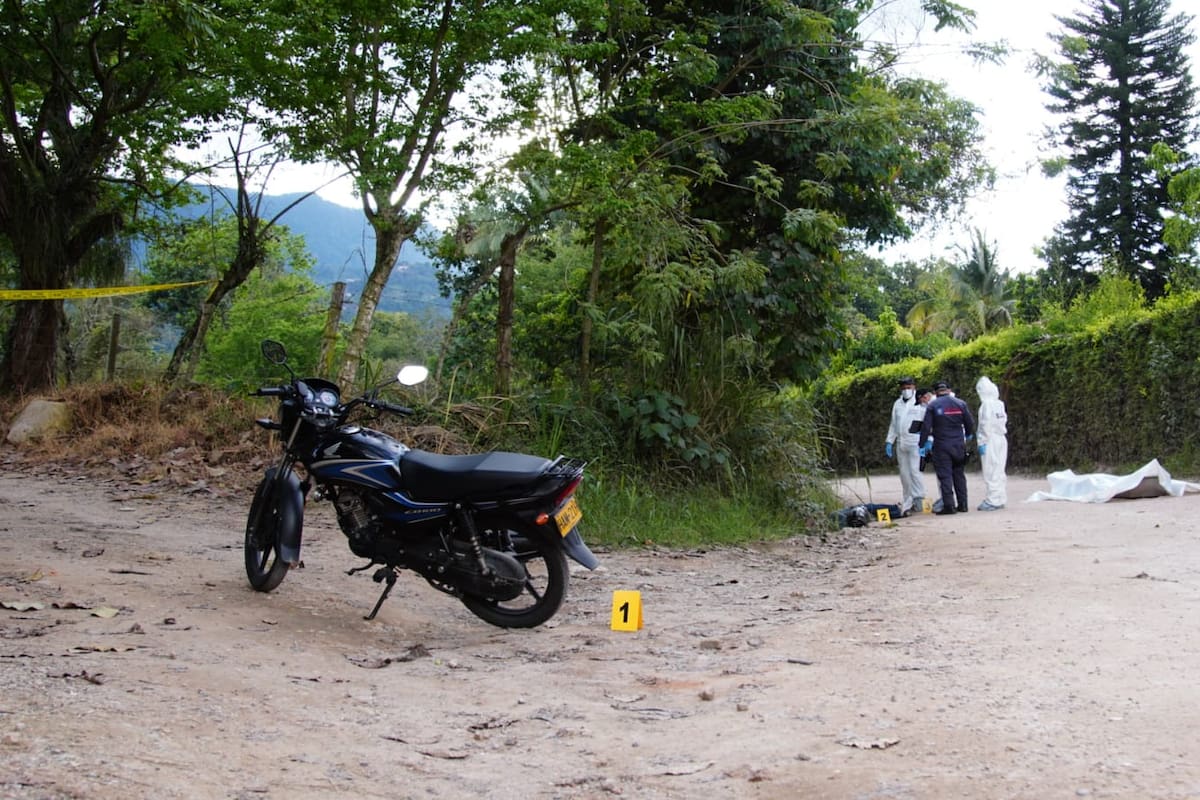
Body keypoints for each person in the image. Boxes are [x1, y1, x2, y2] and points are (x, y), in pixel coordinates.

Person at [919, 380, 976, 515]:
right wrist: (968, 435)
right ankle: (963, 504)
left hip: (942, 445)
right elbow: (970, 423)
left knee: (945, 476)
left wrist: (922, 444)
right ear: (949, 391)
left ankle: (949, 506)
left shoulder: (932, 406)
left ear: (935, 393)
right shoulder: (960, 403)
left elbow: (926, 427)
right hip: (958, 445)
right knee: (959, 475)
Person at [884, 376, 926, 516]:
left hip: (916, 442)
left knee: (915, 471)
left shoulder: (920, 401)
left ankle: (919, 499)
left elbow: (927, 422)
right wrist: (890, 441)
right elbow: (894, 424)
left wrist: (927, 440)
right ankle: (908, 500)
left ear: (914, 387)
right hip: (902, 443)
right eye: (903, 388)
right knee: (904, 474)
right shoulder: (897, 404)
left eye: (909, 387)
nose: (906, 390)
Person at [975, 375, 1008, 511]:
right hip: (1001, 438)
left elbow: (985, 424)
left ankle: (992, 500)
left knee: (990, 470)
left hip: (990, 440)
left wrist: (982, 441)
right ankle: (1000, 498)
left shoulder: (986, 405)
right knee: (999, 469)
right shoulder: (999, 403)